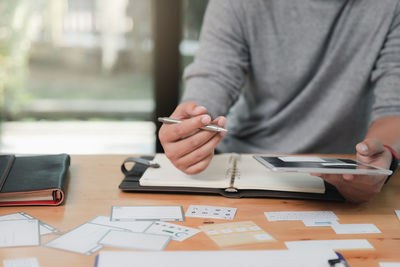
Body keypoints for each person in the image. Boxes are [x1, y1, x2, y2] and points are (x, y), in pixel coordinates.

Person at [159, 0, 400, 203]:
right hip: (243, 169)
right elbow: (214, 77)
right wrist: (190, 128)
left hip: (344, 174)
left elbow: (394, 106)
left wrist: (380, 162)